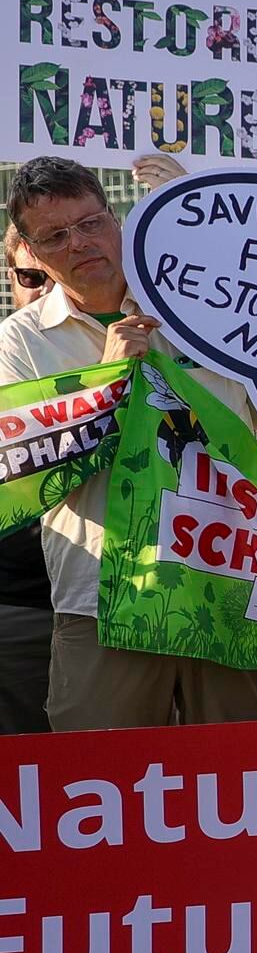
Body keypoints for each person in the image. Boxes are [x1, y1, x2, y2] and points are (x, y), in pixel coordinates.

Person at [0, 156, 257, 731]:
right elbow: (31, 471)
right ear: (30, 250)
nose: (79, 243)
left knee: (242, 781)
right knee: (98, 791)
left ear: (117, 217)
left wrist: (197, 218)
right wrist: (103, 382)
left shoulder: (204, 303)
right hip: (100, 598)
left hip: (226, 583)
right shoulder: (19, 344)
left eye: (91, 222)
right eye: (55, 236)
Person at [0, 225, 55, 737]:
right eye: (32, 276)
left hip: (122, 607)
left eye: (59, 277)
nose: (45, 290)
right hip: (17, 608)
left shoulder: (141, 351)